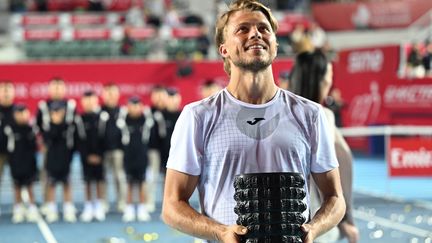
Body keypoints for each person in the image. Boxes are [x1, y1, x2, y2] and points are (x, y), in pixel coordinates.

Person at [161, 1, 345, 243]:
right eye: (242, 29)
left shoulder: (310, 114)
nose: (255, 34)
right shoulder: (198, 116)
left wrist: (315, 228)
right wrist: (220, 232)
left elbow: (335, 198)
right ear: (223, 49)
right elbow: (172, 206)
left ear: (276, 44)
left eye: (263, 28)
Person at [288, 50, 359, 243]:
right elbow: (333, 168)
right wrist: (344, 218)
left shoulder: (283, 113)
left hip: (287, 221)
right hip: (316, 223)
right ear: (318, 80)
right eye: (328, 76)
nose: (330, 82)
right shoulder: (321, 116)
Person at [41, 101, 77, 223]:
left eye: (59, 111)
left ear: (63, 112)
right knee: (51, 184)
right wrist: (54, 124)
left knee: (67, 184)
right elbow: (48, 139)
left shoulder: (68, 126)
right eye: (54, 111)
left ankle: (68, 209)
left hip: (65, 158)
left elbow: (71, 141)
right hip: (52, 159)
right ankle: (52, 209)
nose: (56, 113)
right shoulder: (47, 126)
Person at [120, 96, 154, 222]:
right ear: (127, 107)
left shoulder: (146, 120)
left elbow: (151, 136)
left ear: (141, 106)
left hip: (142, 156)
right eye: (132, 105)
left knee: (141, 183)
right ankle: (128, 208)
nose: (134, 108)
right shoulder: (123, 120)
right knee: (129, 183)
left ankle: (141, 208)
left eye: (137, 105)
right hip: (128, 156)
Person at [4, 104, 39, 223]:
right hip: (16, 162)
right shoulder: (9, 130)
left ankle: (32, 208)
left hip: (29, 162)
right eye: (18, 113)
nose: (21, 115)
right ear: (14, 115)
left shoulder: (31, 129)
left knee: (30, 186)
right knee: (17, 186)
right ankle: (18, 209)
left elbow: (35, 147)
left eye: (23, 112)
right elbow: (8, 148)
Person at [75, 90, 106, 222]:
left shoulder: (102, 118)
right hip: (85, 157)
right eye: (86, 100)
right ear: (82, 102)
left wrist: (99, 155)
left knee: (99, 181)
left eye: (91, 99)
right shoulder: (79, 119)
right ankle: (88, 207)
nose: (89, 102)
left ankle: (98, 206)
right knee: (87, 181)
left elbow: (105, 137)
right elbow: (79, 140)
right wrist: (87, 155)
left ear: (96, 101)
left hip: (100, 156)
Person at [99, 82, 127, 212]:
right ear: (103, 95)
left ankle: (122, 202)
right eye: (108, 93)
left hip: (119, 151)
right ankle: (103, 203)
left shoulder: (123, 112)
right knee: (103, 177)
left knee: (119, 176)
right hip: (103, 150)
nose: (110, 96)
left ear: (118, 95)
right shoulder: (99, 112)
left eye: (113, 93)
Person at [0, 80, 15, 218]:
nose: (5, 93)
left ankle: (19, 207)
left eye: (8, 90)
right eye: (3, 90)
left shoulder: (17, 110)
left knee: (18, 179)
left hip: (15, 153)